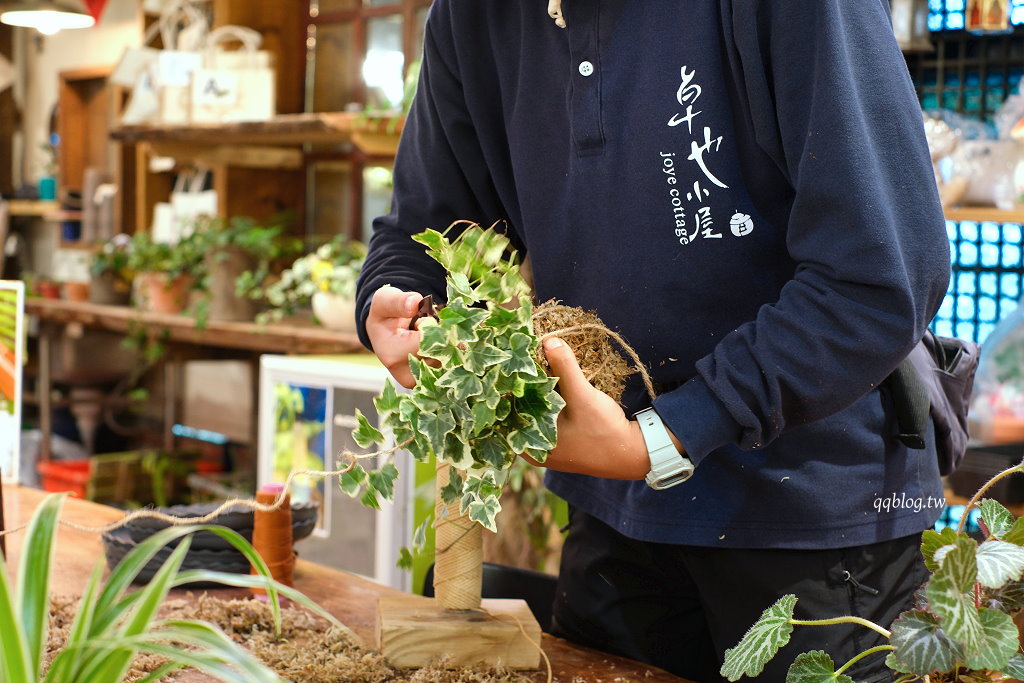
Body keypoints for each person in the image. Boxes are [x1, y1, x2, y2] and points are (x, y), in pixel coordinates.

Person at [355, 1, 951, 681]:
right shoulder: (474, 16)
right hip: (613, 513)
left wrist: (663, 439)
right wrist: (392, 298)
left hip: (813, 522)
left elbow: (880, 276)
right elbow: (422, 231)